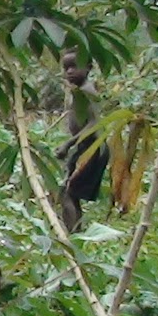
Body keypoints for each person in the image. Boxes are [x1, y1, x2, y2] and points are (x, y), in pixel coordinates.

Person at [55, 48, 108, 233]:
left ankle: (73, 235)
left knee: (68, 192)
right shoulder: (79, 92)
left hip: (93, 148)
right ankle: (74, 233)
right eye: (66, 67)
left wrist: (68, 144)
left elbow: (94, 124)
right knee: (69, 193)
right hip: (85, 147)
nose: (69, 71)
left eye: (74, 67)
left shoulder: (87, 91)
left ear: (88, 68)